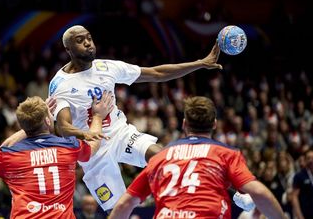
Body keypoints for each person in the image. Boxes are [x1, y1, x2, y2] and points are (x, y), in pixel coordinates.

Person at [49, 25, 222, 212]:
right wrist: (92, 128)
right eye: (80, 40)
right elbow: (64, 127)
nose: (88, 43)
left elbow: (156, 73)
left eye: (89, 37)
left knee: (160, 155)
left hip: (120, 133)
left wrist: (200, 63)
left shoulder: (107, 67)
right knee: (118, 211)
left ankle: (196, 198)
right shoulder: (61, 84)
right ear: (68, 49)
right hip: (93, 152)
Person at [108, 96, 286, 219]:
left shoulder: (160, 157)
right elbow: (259, 192)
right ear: (214, 124)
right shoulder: (226, 154)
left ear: (184, 124)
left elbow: (125, 204)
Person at [291, 147, 313, 219]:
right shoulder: (299, 176)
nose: (311, 160)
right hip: (306, 215)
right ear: (305, 160)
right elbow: (294, 197)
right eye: (309, 158)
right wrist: (300, 217)